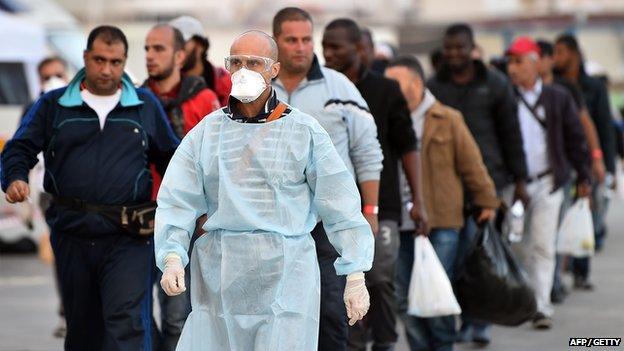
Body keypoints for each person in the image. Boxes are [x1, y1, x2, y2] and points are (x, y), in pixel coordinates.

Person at [155, 30, 374, 350]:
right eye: (236, 62)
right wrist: (172, 254)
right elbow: (178, 197)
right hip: (221, 276)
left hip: (286, 276)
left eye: (254, 63)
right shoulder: (207, 132)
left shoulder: (303, 130)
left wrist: (355, 273)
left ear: (274, 69)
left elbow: (338, 202)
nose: (244, 71)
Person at [1, 26, 180, 350]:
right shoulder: (53, 105)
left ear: (125, 62)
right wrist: (15, 178)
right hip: (73, 234)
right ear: (85, 58)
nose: (107, 69)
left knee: (127, 326)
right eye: (99, 60)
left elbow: (173, 158)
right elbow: (19, 147)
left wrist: (190, 208)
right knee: (84, 331)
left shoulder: (144, 105)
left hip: (129, 237)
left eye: (115, 62)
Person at [271, 7, 384, 350]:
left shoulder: (340, 88)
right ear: (276, 42)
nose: (301, 47)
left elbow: (367, 151)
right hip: (275, 222)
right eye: (291, 40)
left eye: (306, 39)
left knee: (332, 312)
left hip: (328, 222)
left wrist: (370, 210)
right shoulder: (258, 90)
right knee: (278, 312)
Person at [322, 19, 427, 351]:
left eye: (336, 46)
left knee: (379, 278)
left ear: (359, 49)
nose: (328, 53)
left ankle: (384, 341)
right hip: (334, 208)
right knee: (342, 283)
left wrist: (419, 201)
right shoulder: (323, 91)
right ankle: (353, 344)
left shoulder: (385, 90)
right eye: (324, 45)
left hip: (382, 207)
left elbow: (408, 147)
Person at [385, 54, 499, 351]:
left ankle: (443, 345)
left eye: (397, 83)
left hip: (441, 221)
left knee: (436, 291)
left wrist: (487, 200)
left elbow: (472, 164)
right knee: (402, 296)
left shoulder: (447, 119)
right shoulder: (383, 118)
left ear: (417, 83)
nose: (391, 89)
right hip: (397, 221)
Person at [427, 23, 528, 346]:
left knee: (480, 257)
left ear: (472, 49)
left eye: (460, 47)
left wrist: (520, 180)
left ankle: (479, 322)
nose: (454, 53)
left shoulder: (496, 84)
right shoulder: (434, 86)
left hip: (490, 185)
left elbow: (511, 134)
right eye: (449, 48)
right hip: (446, 188)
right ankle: (459, 318)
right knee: (454, 259)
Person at [506, 36, 592, 329]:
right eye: (510, 62)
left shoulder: (557, 97)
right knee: (515, 245)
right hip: (513, 186)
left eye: (518, 62)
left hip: (549, 183)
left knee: (542, 245)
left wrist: (584, 174)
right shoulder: (505, 97)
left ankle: (541, 306)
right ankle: (523, 300)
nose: (512, 69)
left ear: (533, 63)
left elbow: (575, 137)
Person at [143, 23, 220, 351]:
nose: (149, 56)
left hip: (190, 223)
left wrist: (209, 216)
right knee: (136, 314)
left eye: (157, 49)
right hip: (142, 219)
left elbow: (218, 162)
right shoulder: (137, 98)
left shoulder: (204, 99)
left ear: (179, 55)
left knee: (178, 314)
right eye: (146, 48)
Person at [536, 39, 605, 304]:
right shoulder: (516, 91)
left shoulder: (565, 90)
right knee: (540, 237)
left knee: (555, 231)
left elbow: (584, 127)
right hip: (533, 174)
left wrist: (594, 160)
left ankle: (556, 282)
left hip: (562, 172)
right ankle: (546, 283)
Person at [553, 34, 616, 290]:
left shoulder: (593, 87)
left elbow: (603, 127)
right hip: (562, 161)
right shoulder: (554, 84)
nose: (556, 58)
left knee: (585, 213)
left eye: (560, 52)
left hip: (586, 161)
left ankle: (581, 269)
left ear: (574, 54)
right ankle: (561, 267)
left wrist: (604, 163)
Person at [22, 56, 70, 339]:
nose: (53, 80)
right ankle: (67, 313)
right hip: (49, 193)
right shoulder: (36, 107)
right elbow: (22, 148)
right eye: (47, 76)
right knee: (63, 253)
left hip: (80, 190)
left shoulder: (78, 102)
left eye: (58, 74)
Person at [169, 15, 232, 106]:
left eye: (181, 43)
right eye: (172, 44)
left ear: (200, 46)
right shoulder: (165, 86)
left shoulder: (228, 84)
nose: (176, 50)